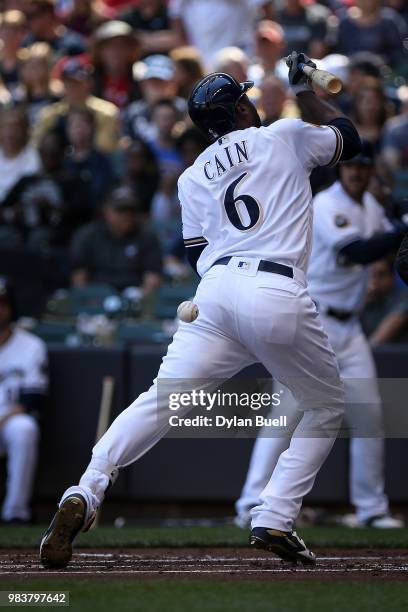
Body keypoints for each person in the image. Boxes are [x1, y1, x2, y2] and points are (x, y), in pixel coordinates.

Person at [40, 52, 361, 569]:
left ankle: (85, 489)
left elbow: (196, 256)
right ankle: (275, 515)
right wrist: (306, 89)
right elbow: (350, 137)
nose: (251, 105)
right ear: (235, 112)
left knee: (161, 402)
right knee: (325, 404)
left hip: (212, 294)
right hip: (275, 289)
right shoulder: (283, 135)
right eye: (244, 100)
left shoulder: (192, 177)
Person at [235, 143, 406, 530]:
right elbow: (359, 251)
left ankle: (371, 508)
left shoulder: (370, 206)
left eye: (363, 167)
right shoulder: (326, 203)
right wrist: (402, 226)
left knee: (368, 415)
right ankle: (251, 503)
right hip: (314, 321)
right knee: (287, 413)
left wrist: (398, 212)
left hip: (350, 327)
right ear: (340, 171)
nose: (357, 173)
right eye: (351, 167)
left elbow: (386, 226)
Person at [0, 278, 48, 524]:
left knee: (24, 428)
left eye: (2, 304)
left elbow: (32, 400)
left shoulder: (30, 346)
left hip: (9, 420)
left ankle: (15, 512)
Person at [70, 186, 163, 293]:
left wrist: (141, 299)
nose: (127, 215)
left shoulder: (147, 237)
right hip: (96, 297)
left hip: (133, 297)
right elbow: (79, 276)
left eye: (131, 210)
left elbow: (152, 278)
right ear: (106, 210)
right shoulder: (88, 236)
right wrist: (86, 299)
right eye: (120, 210)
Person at [33, 55, 120, 154]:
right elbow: (36, 145)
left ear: (89, 83)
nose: (72, 87)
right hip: (61, 166)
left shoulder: (106, 112)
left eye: (77, 82)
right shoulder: (50, 114)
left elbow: (105, 147)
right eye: (68, 82)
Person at [63, 107, 115, 211]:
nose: (78, 129)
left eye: (82, 124)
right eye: (73, 125)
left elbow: (100, 193)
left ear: (92, 127)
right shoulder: (61, 160)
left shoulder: (101, 161)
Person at [361, 257, 408, 344]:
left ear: (392, 276)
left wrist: (362, 353)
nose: (375, 280)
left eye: (381, 275)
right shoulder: (360, 297)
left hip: (398, 355)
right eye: (371, 275)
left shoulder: (403, 295)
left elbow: (392, 324)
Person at [0, 105, 40, 203]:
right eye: (6, 127)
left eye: (15, 127)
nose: (10, 133)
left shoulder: (33, 158)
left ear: (24, 130)